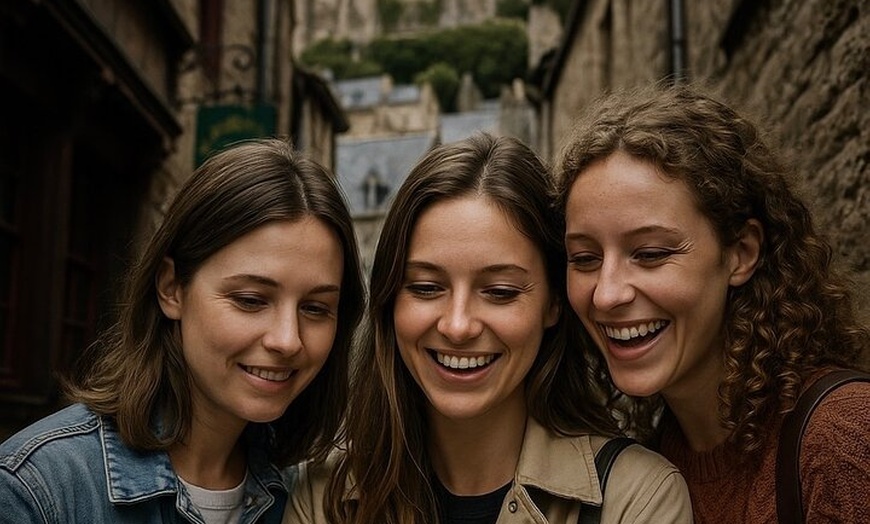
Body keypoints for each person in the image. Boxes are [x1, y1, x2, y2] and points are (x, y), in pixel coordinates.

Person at [285, 133, 693, 523]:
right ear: (390, 299)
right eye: (426, 288)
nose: (457, 325)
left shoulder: (636, 497)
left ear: (554, 303)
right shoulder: (324, 497)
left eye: (500, 292)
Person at [0, 138, 365, 523]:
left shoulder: (312, 495)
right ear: (171, 288)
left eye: (315, 308)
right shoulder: (38, 492)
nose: (287, 340)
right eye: (250, 300)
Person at [556, 83, 870, 523]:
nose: (607, 294)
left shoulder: (842, 438)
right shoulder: (648, 465)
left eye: (651, 254)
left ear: (741, 253)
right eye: (585, 258)